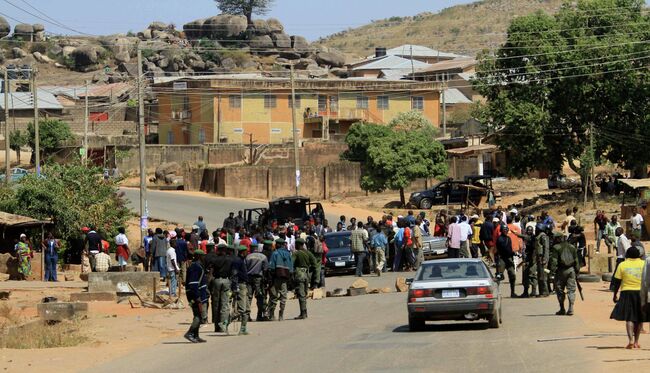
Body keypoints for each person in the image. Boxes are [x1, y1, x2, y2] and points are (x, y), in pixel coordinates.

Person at [611, 246, 646, 349]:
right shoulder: (644, 264)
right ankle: (636, 341)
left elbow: (617, 281)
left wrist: (615, 294)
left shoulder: (622, 265)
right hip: (641, 293)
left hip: (627, 292)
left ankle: (630, 340)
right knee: (640, 317)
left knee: (629, 317)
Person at [204, 244, 234, 333]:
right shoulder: (230, 260)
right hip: (226, 281)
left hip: (216, 281)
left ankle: (216, 326)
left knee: (216, 304)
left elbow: (210, 272)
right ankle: (223, 325)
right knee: (224, 304)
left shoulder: (214, 260)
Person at [549, 232, 580, 316]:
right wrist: (577, 271)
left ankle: (562, 308)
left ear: (559, 239)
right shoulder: (572, 247)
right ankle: (571, 308)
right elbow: (576, 261)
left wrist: (551, 273)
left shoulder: (556, 248)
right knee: (571, 290)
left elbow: (554, 262)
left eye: (555, 238)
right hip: (571, 271)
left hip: (560, 271)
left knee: (559, 290)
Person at [292, 238, 319, 320]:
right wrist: (315, 279)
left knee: (301, 295)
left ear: (298, 244)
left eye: (296, 244)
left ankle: (303, 313)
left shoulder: (296, 254)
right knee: (304, 293)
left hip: (299, 275)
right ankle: (305, 312)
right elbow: (315, 265)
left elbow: (291, 263)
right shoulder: (309, 253)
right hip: (307, 276)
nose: (295, 246)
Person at [184, 250, 207, 343]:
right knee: (198, 314)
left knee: (199, 315)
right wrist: (198, 298)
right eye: (203, 256)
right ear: (199, 256)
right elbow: (193, 284)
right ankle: (190, 333)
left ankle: (196, 335)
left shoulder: (198, 266)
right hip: (194, 296)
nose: (204, 258)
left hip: (198, 295)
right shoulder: (195, 267)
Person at [268, 238, 293, 321]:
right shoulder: (288, 254)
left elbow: (271, 268)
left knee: (273, 297)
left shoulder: (275, 253)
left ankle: (271, 315)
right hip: (285, 279)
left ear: (278, 244)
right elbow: (291, 269)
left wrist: (270, 279)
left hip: (276, 278)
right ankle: (281, 314)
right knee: (283, 297)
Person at [246, 242, 269, 321]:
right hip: (259, 279)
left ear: (251, 248)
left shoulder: (248, 257)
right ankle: (259, 315)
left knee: (249, 297)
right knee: (260, 297)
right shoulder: (263, 257)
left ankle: (247, 316)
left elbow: (245, 268)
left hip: (249, 278)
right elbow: (265, 269)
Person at [232, 245, 250, 335]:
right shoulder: (237, 261)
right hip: (240, 285)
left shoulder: (242, 260)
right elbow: (234, 274)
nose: (247, 253)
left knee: (247, 309)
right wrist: (236, 287)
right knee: (241, 309)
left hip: (244, 285)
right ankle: (225, 322)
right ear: (242, 252)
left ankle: (243, 329)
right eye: (246, 252)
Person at [496, 226, 518, 297]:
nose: (505, 231)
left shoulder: (508, 238)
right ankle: (496, 293)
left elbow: (510, 248)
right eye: (504, 230)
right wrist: (513, 253)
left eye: (506, 229)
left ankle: (513, 292)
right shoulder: (500, 239)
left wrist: (512, 255)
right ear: (501, 230)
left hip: (509, 259)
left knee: (512, 275)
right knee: (499, 276)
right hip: (502, 258)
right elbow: (505, 249)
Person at [611, 227, 632, 291]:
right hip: (620, 257)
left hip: (622, 258)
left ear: (620, 231)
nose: (615, 232)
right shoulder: (620, 238)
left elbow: (626, 248)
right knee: (617, 273)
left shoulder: (623, 238)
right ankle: (613, 286)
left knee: (617, 273)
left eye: (616, 231)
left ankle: (613, 286)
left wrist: (628, 258)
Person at [535, 224, 551, 297]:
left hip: (542, 259)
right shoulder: (539, 235)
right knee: (540, 276)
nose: (535, 229)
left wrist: (545, 259)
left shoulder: (543, 236)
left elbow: (546, 248)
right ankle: (541, 292)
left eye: (536, 228)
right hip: (539, 258)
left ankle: (545, 292)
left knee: (543, 276)